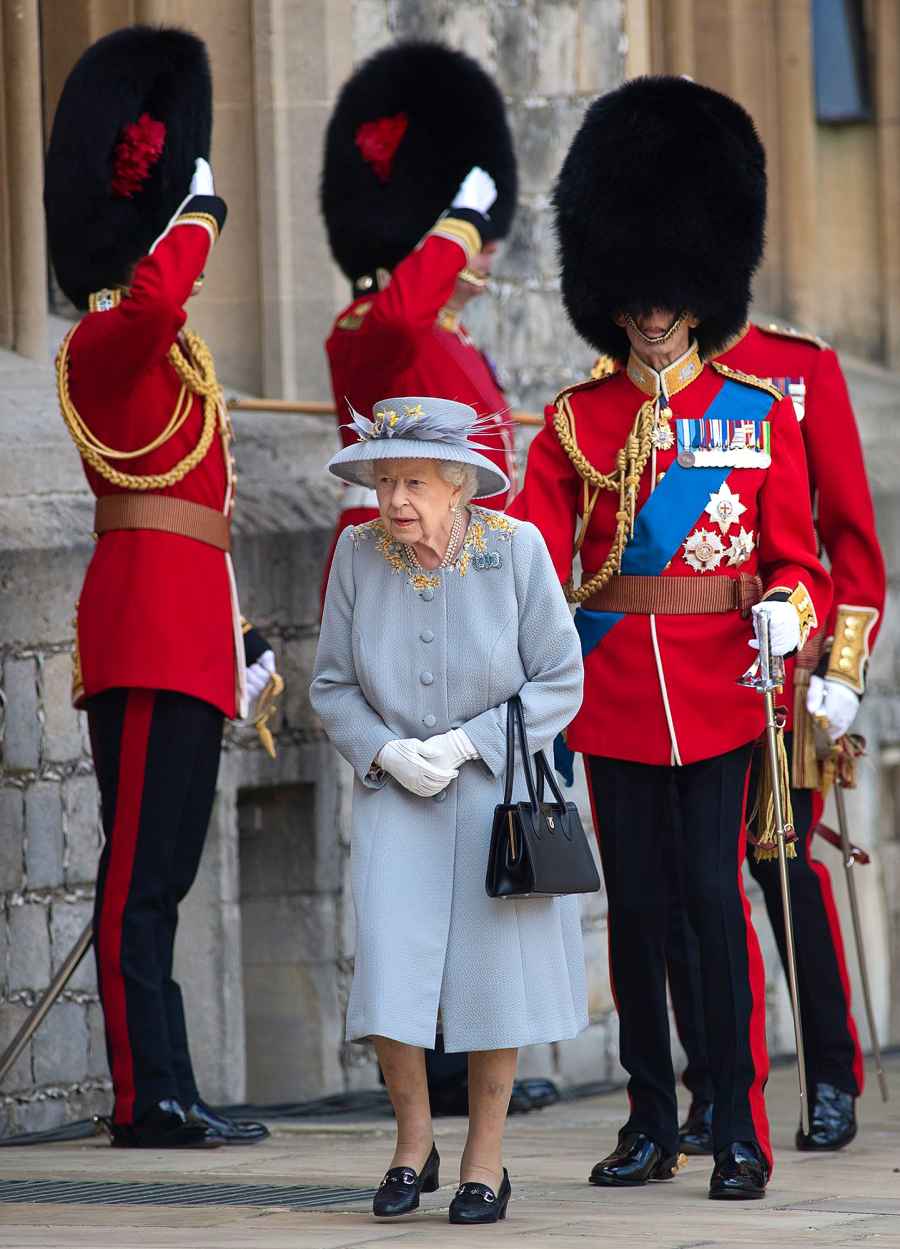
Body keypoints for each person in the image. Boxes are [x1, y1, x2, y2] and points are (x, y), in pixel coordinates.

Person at [509, 75, 831, 1200]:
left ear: (701, 292)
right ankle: (652, 1116)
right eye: (635, 297)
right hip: (613, 700)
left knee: (711, 896)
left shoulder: (753, 413)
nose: (651, 313)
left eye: (668, 297)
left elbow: (797, 557)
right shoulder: (573, 424)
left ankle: (737, 1122)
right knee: (638, 912)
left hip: (721, 692)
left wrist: (792, 611)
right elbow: (534, 554)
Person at [45, 26, 278, 1148]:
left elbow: (204, 515)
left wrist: (239, 634)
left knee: (165, 877)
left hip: (187, 632)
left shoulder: (166, 355)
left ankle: (173, 1085)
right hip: (139, 635)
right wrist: (196, 215)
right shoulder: (103, 341)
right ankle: (146, 1097)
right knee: (137, 878)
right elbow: (152, 307)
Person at [310, 396, 587, 1224]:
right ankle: (412, 1141)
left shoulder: (518, 549)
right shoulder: (358, 556)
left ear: (459, 483)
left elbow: (560, 680)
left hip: (499, 795)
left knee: (492, 976)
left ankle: (485, 1159)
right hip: (399, 791)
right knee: (391, 965)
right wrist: (385, 750)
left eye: (415, 482)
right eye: (386, 480)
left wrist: (469, 745)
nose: (396, 500)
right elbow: (330, 684)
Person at [668, 320, 885, 1156]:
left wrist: (844, 665)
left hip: (785, 680)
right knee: (689, 882)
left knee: (781, 867)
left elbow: (850, 533)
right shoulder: (629, 375)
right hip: (684, 677)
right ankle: (714, 1081)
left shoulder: (799, 367)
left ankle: (830, 1074)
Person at [320, 40, 518, 585]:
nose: (485, 247)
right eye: (473, 237)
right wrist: (456, 226)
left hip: (469, 563)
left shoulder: (456, 337)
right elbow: (399, 318)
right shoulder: (365, 321)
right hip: (396, 557)